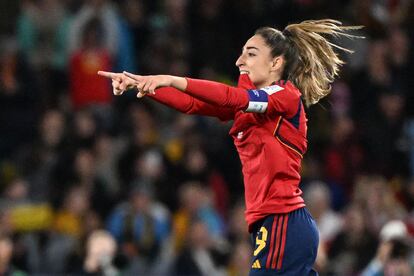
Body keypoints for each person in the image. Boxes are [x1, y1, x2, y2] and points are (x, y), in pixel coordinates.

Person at [98, 19, 362, 275]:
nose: (239, 61)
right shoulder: (251, 108)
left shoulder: (285, 95)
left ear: (276, 62)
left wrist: (169, 78)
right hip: (274, 222)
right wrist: (142, 83)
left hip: (283, 219)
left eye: (250, 53)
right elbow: (193, 104)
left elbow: (233, 96)